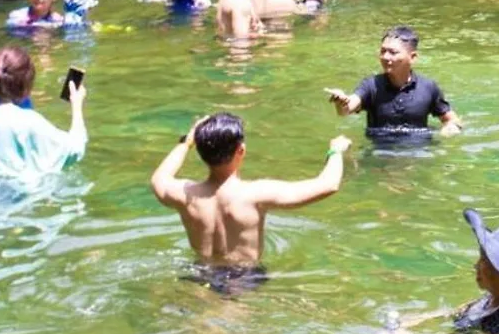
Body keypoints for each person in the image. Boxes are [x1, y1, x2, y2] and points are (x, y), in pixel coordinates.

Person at [148, 113, 351, 286]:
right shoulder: (255, 195)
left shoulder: (185, 195)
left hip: (201, 275)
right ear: (241, 151)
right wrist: (336, 150)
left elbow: (159, 178)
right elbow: (329, 184)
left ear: (201, 152)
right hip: (244, 280)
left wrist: (186, 143)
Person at [0, 46, 87, 186]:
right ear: (26, 86)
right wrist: (77, 104)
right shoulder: (29, 121)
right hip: (9, 200)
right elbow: (74, 150)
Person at [327, 26, 463, 139]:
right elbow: (347, 109)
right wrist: (341, 101)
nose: (385, 57)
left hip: (418, 153)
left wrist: (451, 128)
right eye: (382, 51)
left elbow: (451, 119)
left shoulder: (428, 87)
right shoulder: (372, 85)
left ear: (413, 57)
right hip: (380, 153)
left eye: (393, 52)